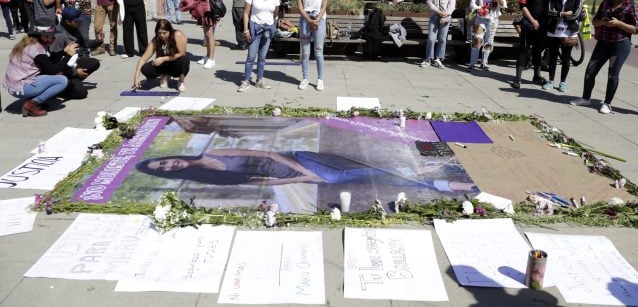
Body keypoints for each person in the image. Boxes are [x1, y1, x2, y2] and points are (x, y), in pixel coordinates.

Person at [136, 148, 477, 192]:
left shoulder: (211, 152)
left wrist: (299, 168)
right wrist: (301, 179)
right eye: (164, 168)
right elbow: (257, 180)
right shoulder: (208, 177)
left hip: (295, 158)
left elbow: (261, 153)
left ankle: (436, 177)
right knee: (361, 173)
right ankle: (434, 177)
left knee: (350, 170)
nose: (169, 163)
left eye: (164, 159)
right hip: (295, 172)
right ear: (170, 173)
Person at [570, 0, 638, 114]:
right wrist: (602, 22)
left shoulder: (632, 5)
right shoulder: (606, 2)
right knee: (590, 70)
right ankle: (586, 98)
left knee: (612, 74)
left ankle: (607, 103)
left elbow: (635, 29)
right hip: (603, 42)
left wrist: (619, 24)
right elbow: (595, 22)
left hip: (620, 45)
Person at [2, 26, 75, 117]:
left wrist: (63, 52)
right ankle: (32, 104)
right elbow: (51, 71)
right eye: (51, 36)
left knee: (49, 75)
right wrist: (68, 55)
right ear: (43, 37)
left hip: (16, 86)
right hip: (22, 87)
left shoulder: (29, 44)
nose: (53, 39)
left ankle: (33, 99)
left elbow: (46, 62)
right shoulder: (36, 49)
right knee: (62, 80)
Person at [511, 0, 561, 89]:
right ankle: (518, 78)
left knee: (538, 49)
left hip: (546, 24)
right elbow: (522, 5)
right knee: (524, 49)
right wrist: (532, 21)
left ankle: (537, 75)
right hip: (529, 22)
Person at [237, 0, 279, 92]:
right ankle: (246, 81)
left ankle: (259, 80)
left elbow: (276, 12)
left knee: (262, 57)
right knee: (251, 56)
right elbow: (246, 13)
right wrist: (246, 30)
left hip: (268, 29)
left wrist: (272, 24)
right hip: (255, 28)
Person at [49, 7, 101, 99]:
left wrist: (97, 41)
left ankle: (71, 82)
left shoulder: (74, 28)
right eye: (77, 20)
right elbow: (54, 65)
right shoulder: (58, 36)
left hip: (71, 63)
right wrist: (74, 72)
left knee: (94, 63)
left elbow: (85, 44)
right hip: (59, 71)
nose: (80, 22)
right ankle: (57, 89)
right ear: (68, 21)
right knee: (81, 93)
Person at [543, 0, 583, 92]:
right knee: (552, 57)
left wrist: (560, 13)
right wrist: (563, 14)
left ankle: (563, 82)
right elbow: (549, 11)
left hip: (569, 32)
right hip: (554, 31)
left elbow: (576, 14)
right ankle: (550, 80)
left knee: (566, 59)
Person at [295, 0, 331, 90]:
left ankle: (320, 79)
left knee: (318, 51)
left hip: (319, 19)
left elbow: (324, 5)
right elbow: (300, 7)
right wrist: (309, 20)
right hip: (305, 19)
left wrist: (317, 20)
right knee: (305, 52)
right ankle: (305, 78)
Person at [133, 19, 189, 92]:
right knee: (145, 68)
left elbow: (182, 53)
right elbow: (143, 59)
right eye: (159, 33)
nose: (161, 35)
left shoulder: (177, 35)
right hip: (165, 65)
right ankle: (164, 75)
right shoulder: (156, 40)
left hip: (177, 63)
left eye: (164, 33)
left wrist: (163, 59)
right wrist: (136, 76)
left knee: (183, 59)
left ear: (170, 31)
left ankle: (181, 81)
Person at [468, 0, 507, 70]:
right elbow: (472, 4)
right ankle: (472, 62)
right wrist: (479, 8)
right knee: (477, 39)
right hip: (481, 18)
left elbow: (504, 5)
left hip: (493, 19)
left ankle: (484, 63)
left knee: (488, 41)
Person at [421, 0, 456, 69]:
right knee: (431, 38)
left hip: (445, 17)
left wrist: (446, 14)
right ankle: (428, 58)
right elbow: (429, 3)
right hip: (434, 16)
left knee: (442, 39)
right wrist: (439, 12)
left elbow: (452, 4)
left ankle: (438, 59)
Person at [194, 0, 218, 69]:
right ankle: (208, 56)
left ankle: (211, 58)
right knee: (207, 33)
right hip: (208, 8)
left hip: (207, 8)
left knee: (209, 34)